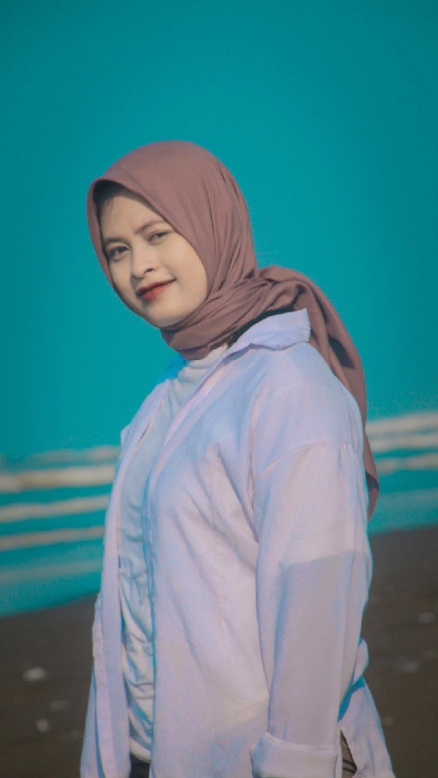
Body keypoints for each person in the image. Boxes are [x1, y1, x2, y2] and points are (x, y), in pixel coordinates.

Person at [80, 141, 394, 778]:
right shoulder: (165, 400)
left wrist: (293, 764)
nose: (139, 265)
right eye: (117, 250)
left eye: (157, 234)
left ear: (210, 222)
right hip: (156, 753)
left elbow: (316, 602)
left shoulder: (288, 387)